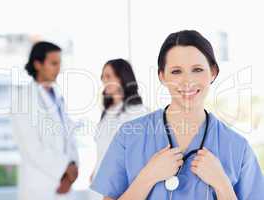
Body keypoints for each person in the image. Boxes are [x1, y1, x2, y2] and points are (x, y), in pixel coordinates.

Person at [91, 30, 264, 200]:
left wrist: (222, 185)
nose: (187, 81)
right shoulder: (128, 136)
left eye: (197, 69)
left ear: (213, 72)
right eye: (176, 71)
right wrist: (147, 178)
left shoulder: (237, 148)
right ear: (162, 76)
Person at [11, 41, 79, 200]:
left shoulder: (57, 96)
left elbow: (69, 137)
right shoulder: (23, 100)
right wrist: (64, 169)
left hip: (65, 184)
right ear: (38, 64)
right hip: (41, 185)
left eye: (60, 63)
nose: (58, 68)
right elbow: (32, 147)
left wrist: (72, 170)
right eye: (53, 63)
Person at [90, 59, 148, 199]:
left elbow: (136, 157)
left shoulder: (137, 111)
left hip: (121, 187)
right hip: (102, 184)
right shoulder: (108, 110)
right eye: (103, 77)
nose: (104, 80)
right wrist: (95, 172)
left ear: (122, 77)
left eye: (109, 76)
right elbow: (103, 148)